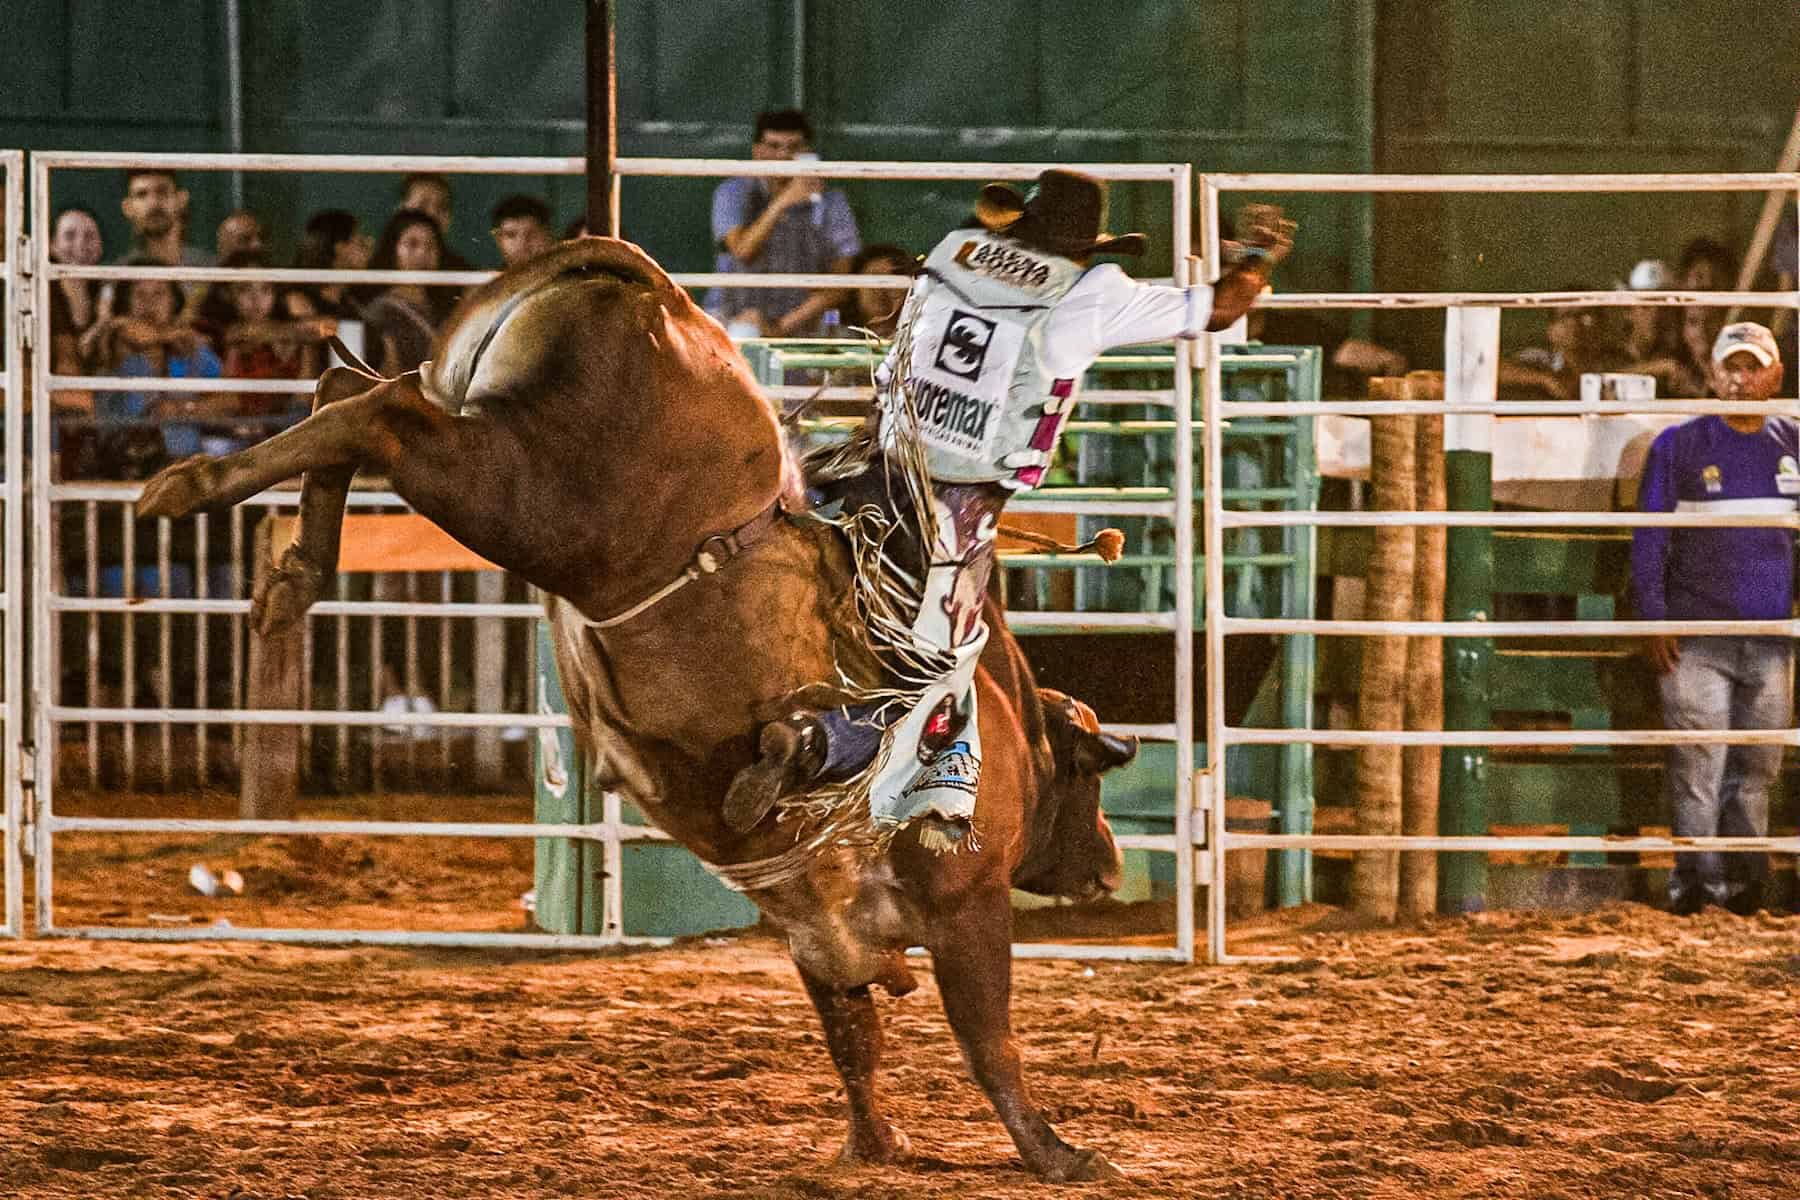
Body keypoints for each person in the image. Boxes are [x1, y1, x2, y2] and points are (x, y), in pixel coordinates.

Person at [723, 170, 1293, 841]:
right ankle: (819, 744)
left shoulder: (956, 252)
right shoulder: (1088, 291)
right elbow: (1222, 308)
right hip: (955, 501)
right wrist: (1255, 258)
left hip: (875, 466)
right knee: (941, 667)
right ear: (1086, 246)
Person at [1632, 322, 1791, 917]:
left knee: (1755, 767)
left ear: (1774, 375)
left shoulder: (1793, 444)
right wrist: (1653, 618)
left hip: (1770, 637)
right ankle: (1698, 891)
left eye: (1753, 367)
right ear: (1713, 374)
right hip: (1698, 635)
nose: (1741, 378)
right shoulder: (1679, 446)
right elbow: (1650, 537)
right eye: (1732, 367)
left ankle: (1746, 892)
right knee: (1702, 766)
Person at [706, 109, 860, 337]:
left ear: (808, 151)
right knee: (742, 333)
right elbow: (742, 250)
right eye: (774, 146)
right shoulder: (733, 191)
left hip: (801, 319)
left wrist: (780, 327)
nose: (783, 156)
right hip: (735, 313)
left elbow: (840, 283)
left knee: (847, 343)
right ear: (756, 151)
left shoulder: (831, 201)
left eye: (794, 147)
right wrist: (785, 200)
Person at [361, 209, 454, 376]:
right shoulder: (381, 312)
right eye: (412, 244)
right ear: (393, 249)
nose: (422, 253)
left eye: (431, 245)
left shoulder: (448, 307)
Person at [286, 208, 373, 322]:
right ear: (340, 248)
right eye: (361, 241)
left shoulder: (351, 303)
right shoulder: (299, 303)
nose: (369, 246)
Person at [841, 242, 914, 339]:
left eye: (892, 278)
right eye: (875, 276)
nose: (882, 288)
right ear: (855, 290)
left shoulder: (916, 337)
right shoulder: (839, 339)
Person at [490, 193, 555, 267]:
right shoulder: (490, 278)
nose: (522, 244)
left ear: (548, 235)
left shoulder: (567, 277)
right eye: (511, 235)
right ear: (499, 240)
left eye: (532, 234)